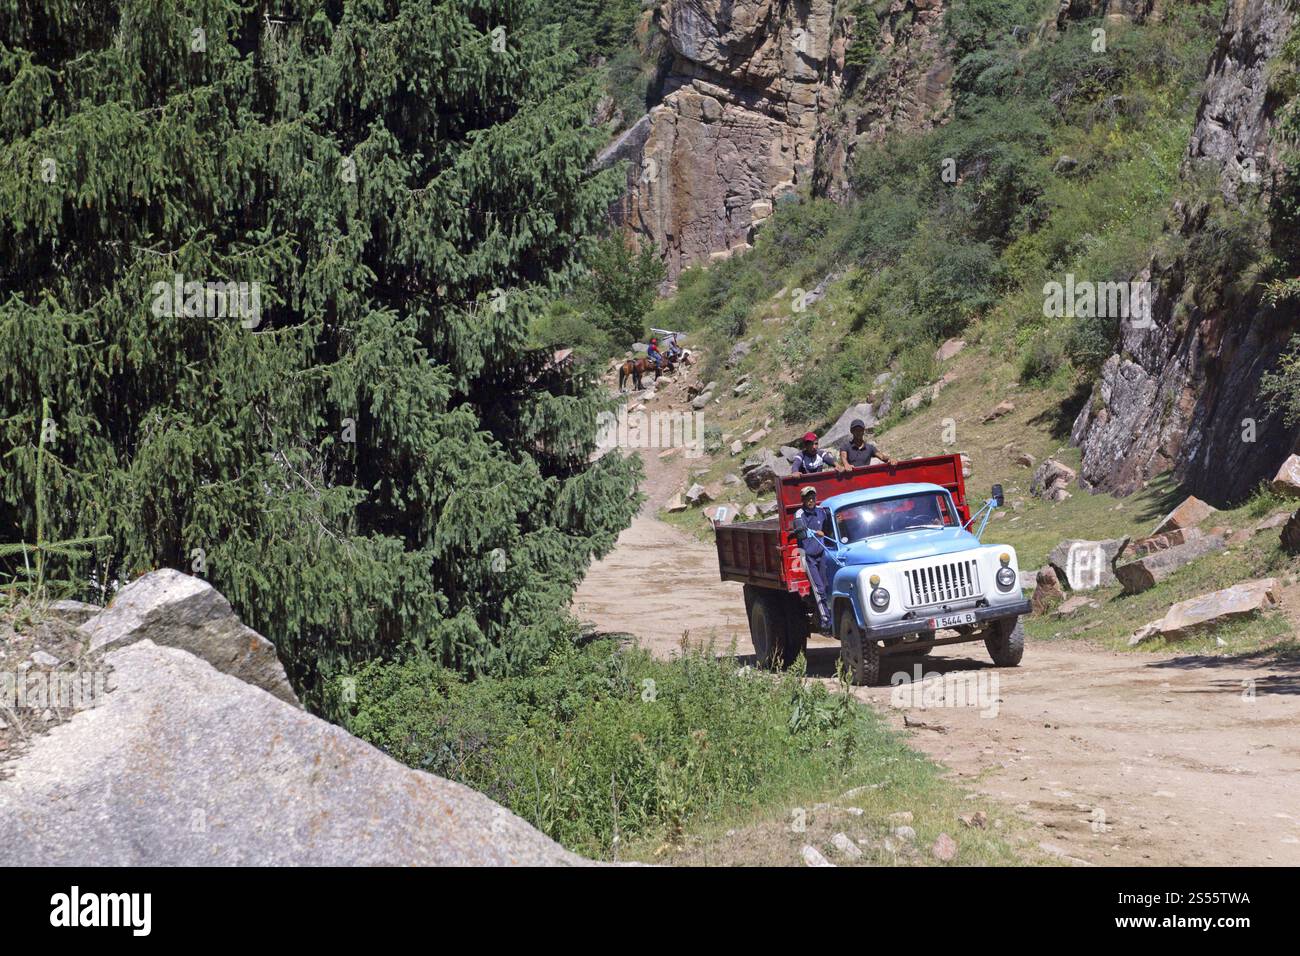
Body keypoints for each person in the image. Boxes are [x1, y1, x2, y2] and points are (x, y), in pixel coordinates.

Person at [792, 486, 836, 633]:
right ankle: (826, 622)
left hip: (822, 554)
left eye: (812, 497)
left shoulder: (821, 512)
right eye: (808, 498)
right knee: (819, 589)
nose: (811, 500)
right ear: (803, 500)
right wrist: (815, 533)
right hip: (808, 557)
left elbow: (829, 528)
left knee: (827, 586)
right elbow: (800, 532)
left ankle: (826, 616)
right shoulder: (799, 514)